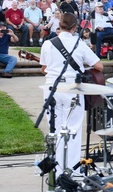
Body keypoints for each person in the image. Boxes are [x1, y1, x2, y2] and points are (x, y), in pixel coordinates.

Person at [39, 13, 104, 174]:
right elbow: (99, 66)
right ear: (75, 28)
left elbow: (43, 69)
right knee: (72, 129)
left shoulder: (48, 44)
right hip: (72, 89)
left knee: (55, 129)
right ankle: (72, 171)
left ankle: (58, 170)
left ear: (58, 25)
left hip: (52, 89)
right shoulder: (79, 43)